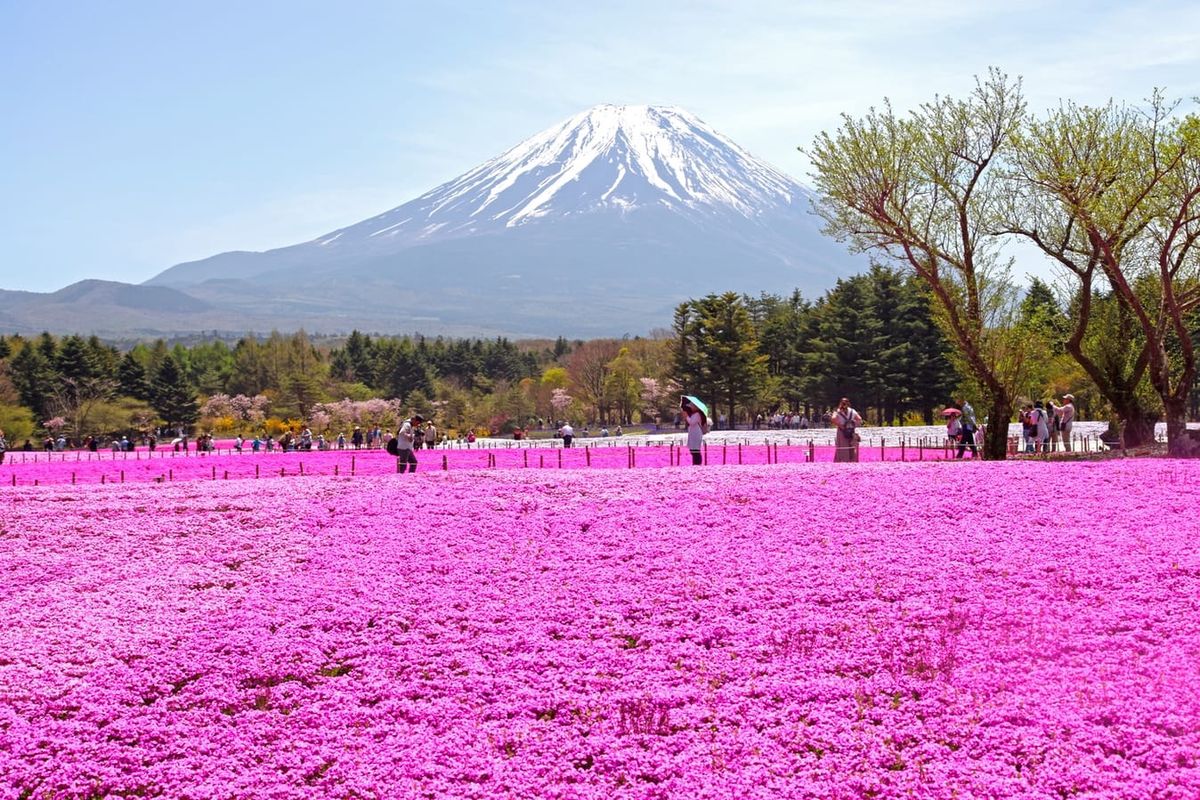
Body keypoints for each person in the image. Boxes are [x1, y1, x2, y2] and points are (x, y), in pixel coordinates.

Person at [833, 397, 862, 463]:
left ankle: (843, 461)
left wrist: (841, 426)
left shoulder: (837, 411)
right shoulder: (852, 411)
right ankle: (852, 460)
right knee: (852, 447)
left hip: (842, 431)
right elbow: (859, 419)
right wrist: (853, 426)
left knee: (843, 447)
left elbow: (833, 419)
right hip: (851, 431)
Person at [681, 397, 708, 465]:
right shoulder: (694, 414)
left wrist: (686, 416)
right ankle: (695, 463)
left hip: (696, 433)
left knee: (695, 450)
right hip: (693, 433)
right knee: (693, 450)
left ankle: (697, 463)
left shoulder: (697, 414)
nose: (691, 408)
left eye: (692, 406)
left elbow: (692, 422)